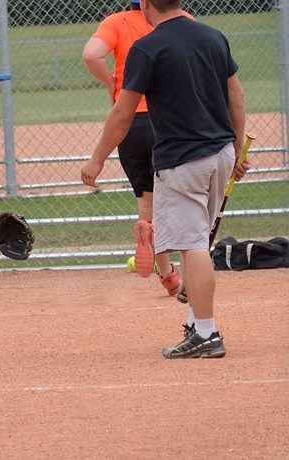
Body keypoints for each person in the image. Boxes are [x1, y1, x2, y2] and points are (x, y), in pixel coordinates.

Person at [80, 0, 248, 359]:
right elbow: (236, 95)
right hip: (220, 152)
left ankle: (206, 333)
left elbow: (123, 113)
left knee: (191, 245)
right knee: (196, 240)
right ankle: (196, 324)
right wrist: (236, 150)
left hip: (182, 160)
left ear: (145, 4)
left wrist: (96, 159)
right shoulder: (213, 36)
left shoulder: (148, 46)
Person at [82, 0, 191, 295]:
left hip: (129, 124)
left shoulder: (117, 22)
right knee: (179, 203)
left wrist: (113, 82)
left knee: (148, 205)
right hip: (166, 121)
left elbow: (91, 54)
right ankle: (186, 274)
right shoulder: (178, 21)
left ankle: (167, 275)